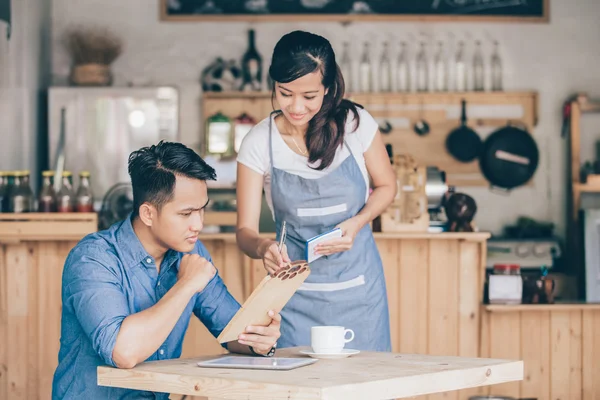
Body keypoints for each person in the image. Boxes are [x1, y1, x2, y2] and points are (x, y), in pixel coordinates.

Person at [52, 141, 281, 399]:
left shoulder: (191, 252)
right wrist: (186, 285)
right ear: (148, 214)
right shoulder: (92, 259)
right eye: (186, 214)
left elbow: (233, 331)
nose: (199, 224)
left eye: (202, 210)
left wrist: (259, 341)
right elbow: (124, 352)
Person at [235, 30, 397, 352]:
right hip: (293, 295)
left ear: (327, 88)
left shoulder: (356, 125)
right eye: (285, 93)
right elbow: (244, 231)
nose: (295, 107)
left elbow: (387, 186)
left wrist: (358, 222)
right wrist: (263, 246)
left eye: (309, 96)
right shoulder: (258, 142)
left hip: (359, 289)